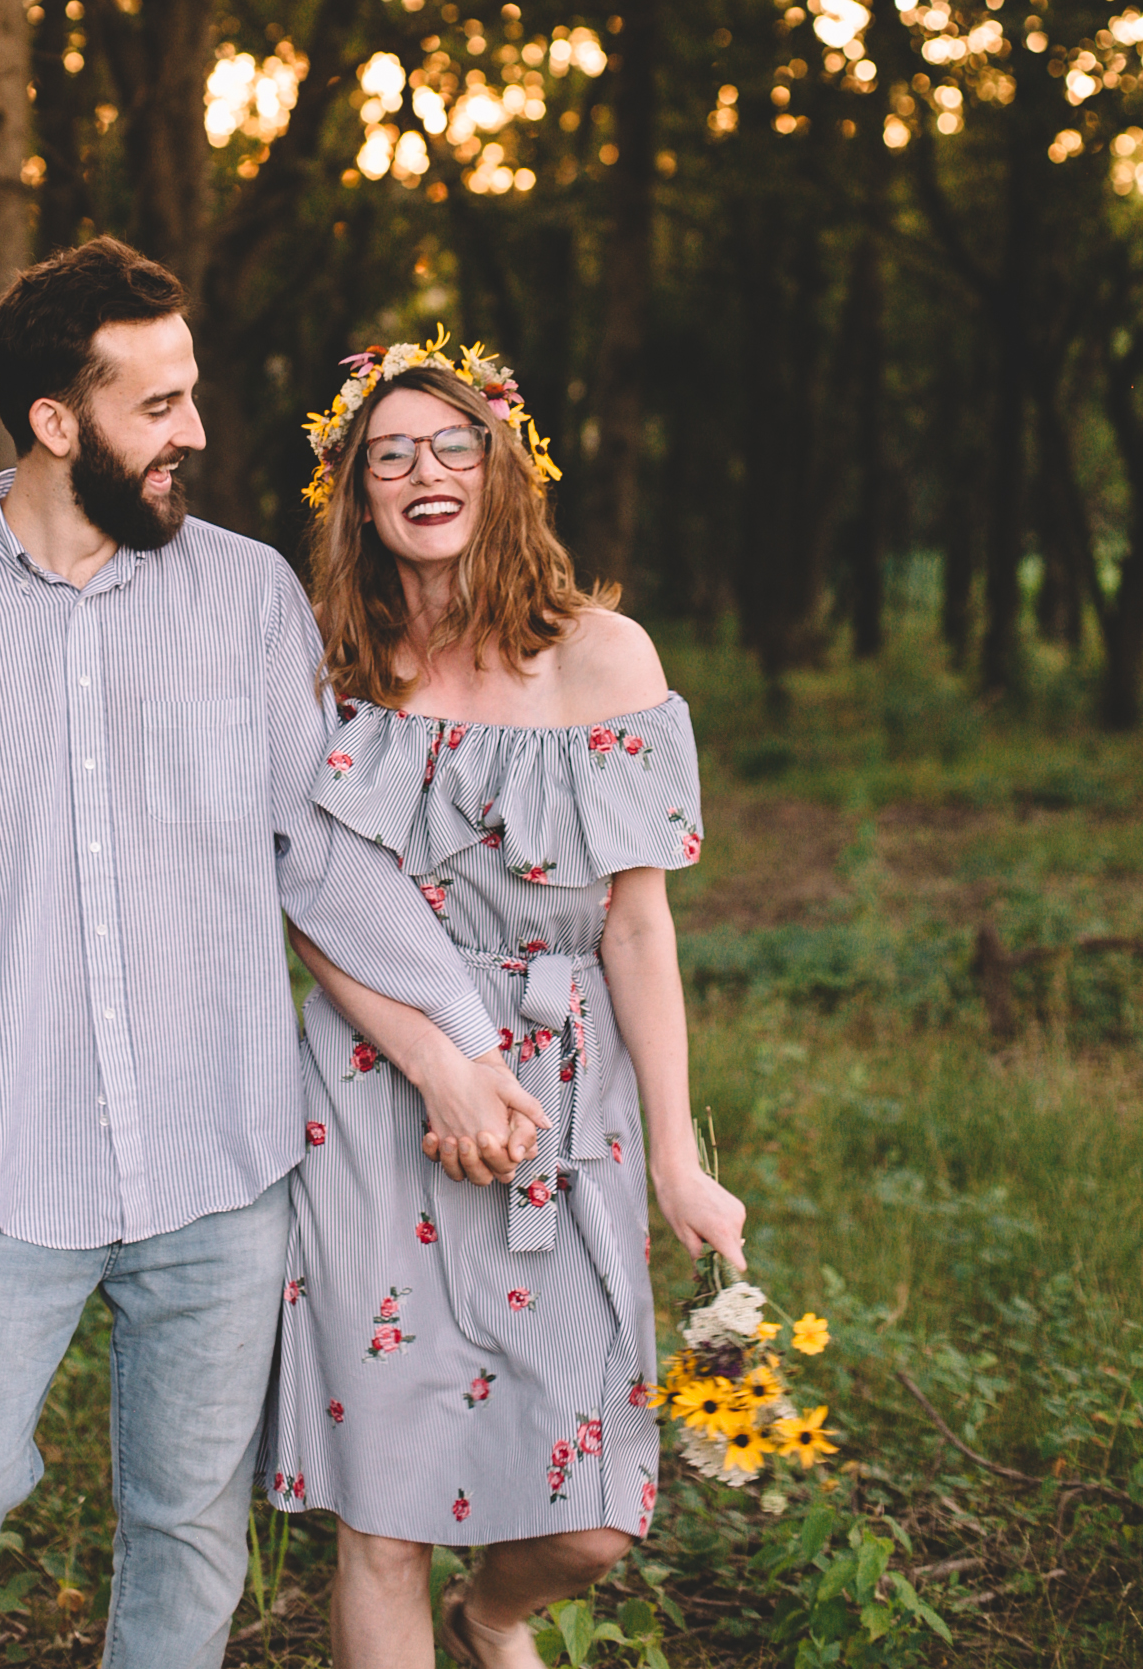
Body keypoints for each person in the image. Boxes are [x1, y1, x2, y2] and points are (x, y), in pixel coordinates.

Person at [0, 241, 546, 1669]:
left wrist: (459, 1031)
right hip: (2, 1171)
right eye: (159, 405)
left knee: (187, 1534)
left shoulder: (247, 597)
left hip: (221, 1163)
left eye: (192, 396)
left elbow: (316, 847)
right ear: (58, 423)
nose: (196, 432)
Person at [264, 332, 747, 1669]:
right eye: (388, 454)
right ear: (357, 495)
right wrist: (434, 1062)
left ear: (504, 464)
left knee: (594, 1507)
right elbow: (316, 908)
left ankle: (492, 1617)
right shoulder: (329, 672)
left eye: (451, 443)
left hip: (563, 1079)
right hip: (375, 1088)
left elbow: (638, 927)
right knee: (386, 1505)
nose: (423, 470)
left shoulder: (603, 660)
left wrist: (672, 1155)